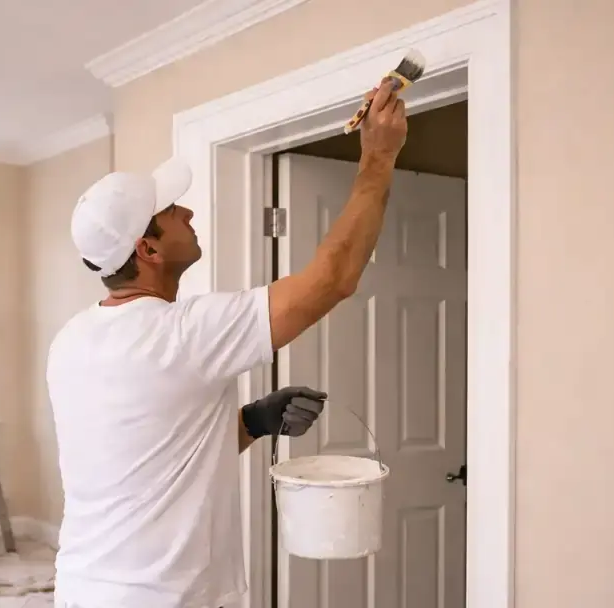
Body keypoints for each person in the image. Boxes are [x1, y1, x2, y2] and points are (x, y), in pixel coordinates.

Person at [45, 77, 410, 608]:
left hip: (84, 585)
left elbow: (155, 450)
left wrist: (255, 420)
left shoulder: (71, 341)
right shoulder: (185, 333)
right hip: (163, 597)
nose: (188, 213)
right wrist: (378, 157)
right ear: (147, 249)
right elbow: (332, 280)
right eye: (172, 211)